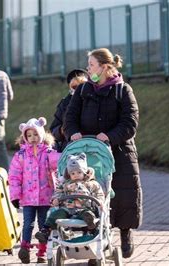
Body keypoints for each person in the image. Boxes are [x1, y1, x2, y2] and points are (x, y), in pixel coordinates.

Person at [63, 48, 142, 258]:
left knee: (123, 193)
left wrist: (110, 136)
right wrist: (73, 133)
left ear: (105, 67)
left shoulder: (122, 90)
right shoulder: (82, 91)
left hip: (119, 150)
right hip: (88, 152)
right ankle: (92, 238)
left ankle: (125, 233)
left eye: (91, 65)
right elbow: (69, 118)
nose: (88, 69)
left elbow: (130, 123)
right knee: (90, 193)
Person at [8, 117, 60, 264]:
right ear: (25, 138)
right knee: (28, 223)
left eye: (36, 134)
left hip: (46, 196)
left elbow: (61, 162)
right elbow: (14, 177)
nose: (33, 138)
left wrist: (72, 158)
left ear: (42, 135)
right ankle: (25, 247)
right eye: (29, 135)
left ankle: (42, 252)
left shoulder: (49, 153)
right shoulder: (20, 156)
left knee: (44, 225)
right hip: (28, 198)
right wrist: (15, 196)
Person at [34, 153, 104, 242]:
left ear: (85, 172)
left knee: (87, 214)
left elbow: (99, 194)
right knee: (56, 214)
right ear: (69, 174)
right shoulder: (65, 184)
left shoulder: (91, 183)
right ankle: (45, 231)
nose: (76, 175)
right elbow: (58, 192)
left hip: (84, 208)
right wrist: (56, 199)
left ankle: (92, 226)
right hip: (67, 209)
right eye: (73, 173)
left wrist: (100, 201)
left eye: (79, 172)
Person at [49, 68, 88, 152]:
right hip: (69, 147)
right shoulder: (65, 103)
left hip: (91, 145)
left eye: (82, 85)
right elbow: (53, 130)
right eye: (75, 87)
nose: (78, 89)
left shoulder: (94, 100)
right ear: (70, 89)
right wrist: (61, 130)